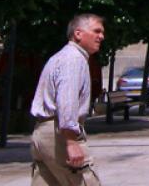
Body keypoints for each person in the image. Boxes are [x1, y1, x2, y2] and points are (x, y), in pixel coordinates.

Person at [31, 13, 106, 186]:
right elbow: (67, 100)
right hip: (58, 134)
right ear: (78, 34)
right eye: (97, 31)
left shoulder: (60, 57)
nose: (101, 36)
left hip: (43, 132)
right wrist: (71, 142)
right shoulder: (73, 59)